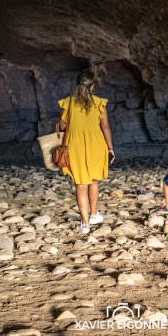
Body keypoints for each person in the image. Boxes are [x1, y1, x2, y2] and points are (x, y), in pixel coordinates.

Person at [58, 71, 114, 234]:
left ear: (77, 85)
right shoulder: (98, 103)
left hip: (75, 146)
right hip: (96, 145)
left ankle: (85, 224)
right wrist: (110, 148)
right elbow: (105, 127)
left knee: (80, 184)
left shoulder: (68, 103)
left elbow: (61, 126)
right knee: (93, 181)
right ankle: (94, 214)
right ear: (93, 86)